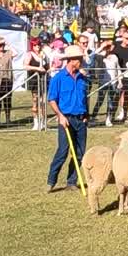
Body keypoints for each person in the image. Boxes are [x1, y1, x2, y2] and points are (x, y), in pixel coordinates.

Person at [46, 44, 89, 192]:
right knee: (63, 151)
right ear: (71, 60)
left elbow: (85, 98)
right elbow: (52, 99)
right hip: (66, 119)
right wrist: (60, 116)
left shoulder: (83, 79)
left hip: (80, 119)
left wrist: (86, 116)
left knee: (80, 153)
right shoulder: (58, 78)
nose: (81, 62)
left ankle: (72, 181)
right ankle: (51, 181)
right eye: (79, 59)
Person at [23, 39, 48, 131]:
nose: (37, 47)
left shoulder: (43, 54)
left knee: (43, 102)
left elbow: (47, 66)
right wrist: (37, 68)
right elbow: (25, 66)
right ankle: (36, 122)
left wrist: (47, 69)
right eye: (35, 45)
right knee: (35, 101)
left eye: (38, 45)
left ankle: (43, 122)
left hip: (43, 79)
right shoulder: (30, 54)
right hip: (34, 80)